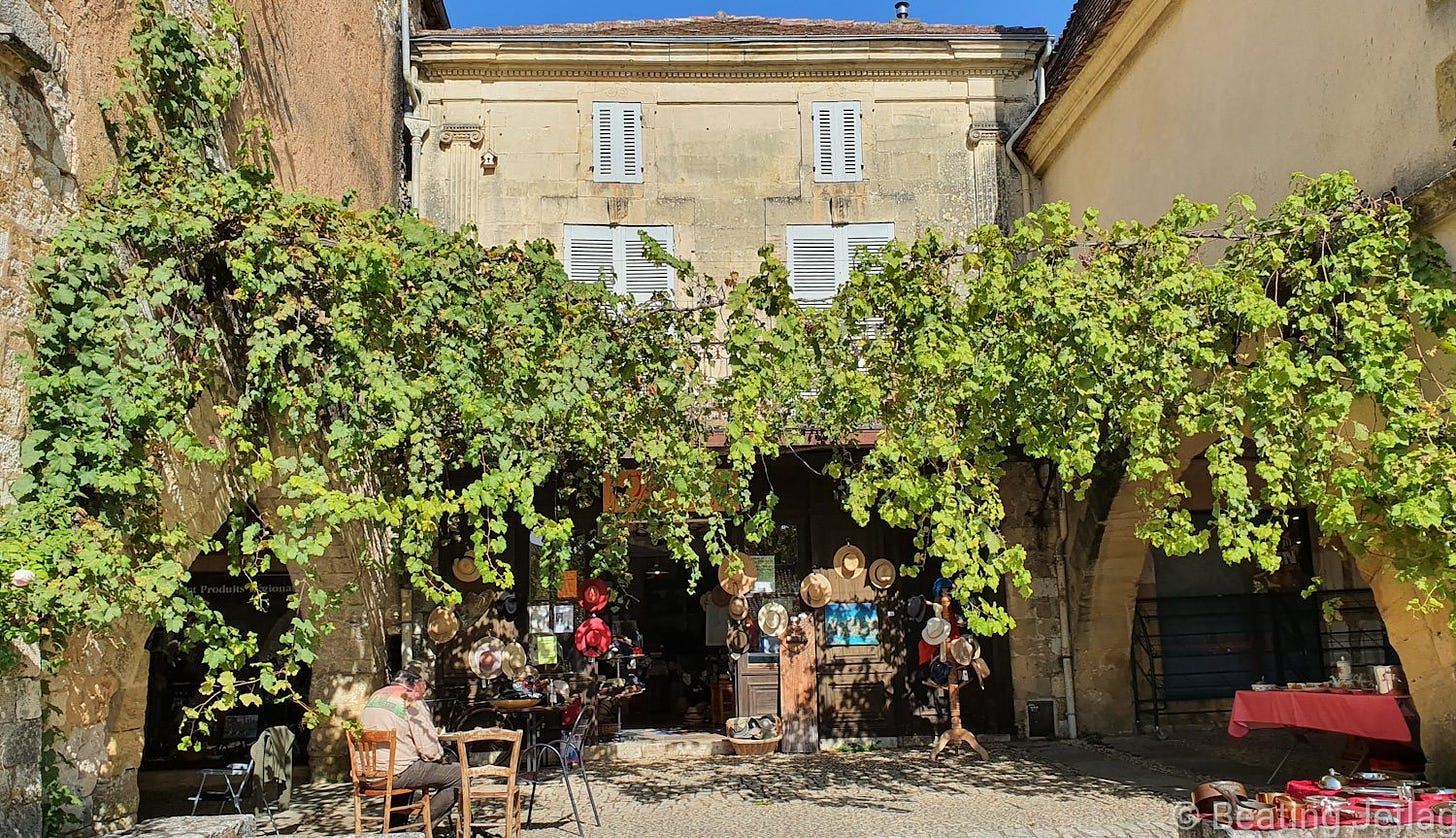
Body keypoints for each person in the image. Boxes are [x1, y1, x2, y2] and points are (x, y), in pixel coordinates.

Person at [361, 665, 459, 829]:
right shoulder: (411, 699)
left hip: (365, 774)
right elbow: (430, 750)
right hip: (396, 774)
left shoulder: (375, 696)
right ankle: (417, 829)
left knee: (408, 764)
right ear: (417, 684)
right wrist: (441, 755)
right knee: (459, 773)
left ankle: (394, 828)